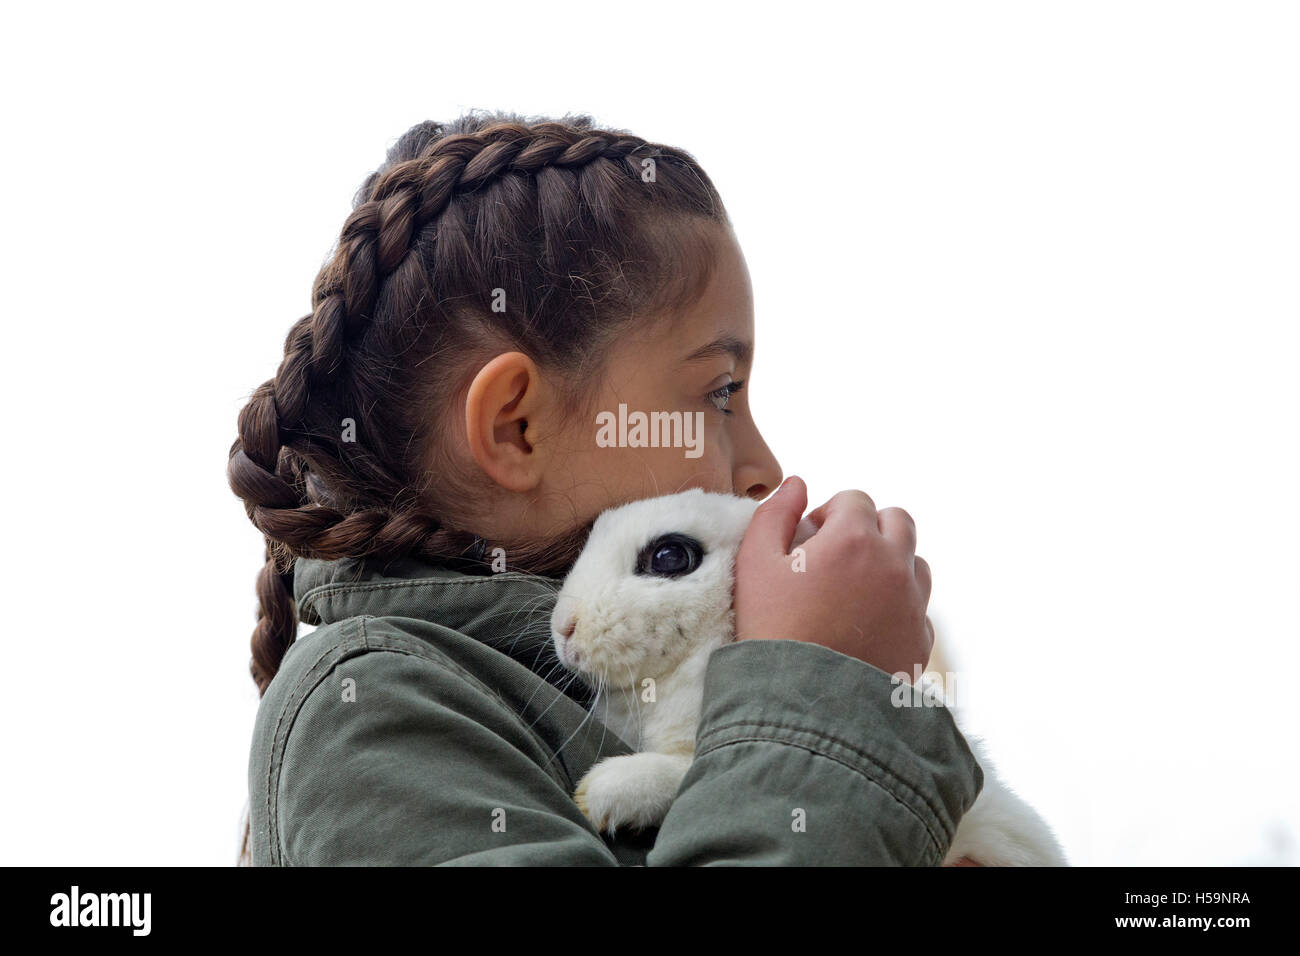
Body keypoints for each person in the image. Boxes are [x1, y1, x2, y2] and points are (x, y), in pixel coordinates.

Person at [228, 111, 983, 865]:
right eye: (720, 392)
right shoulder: (367, 712)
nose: (765, 470)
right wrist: (824, 700)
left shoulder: (627, 690)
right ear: (516, 427)